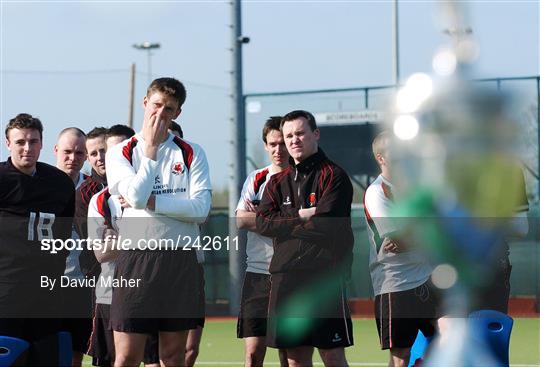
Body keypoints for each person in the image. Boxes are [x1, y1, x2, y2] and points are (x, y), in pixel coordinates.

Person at [105, 77, 212, 367]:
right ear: (145, 103)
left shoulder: (192, 153)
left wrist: (154, 202)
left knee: (173, 357)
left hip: (180, 261)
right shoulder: (120, 152)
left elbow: (200, 209)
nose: (161, 114)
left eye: (169, 109)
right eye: (156, 105)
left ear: (177, 113)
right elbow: (136, 198)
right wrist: (150, 151)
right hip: (137, 259)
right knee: (127, 356)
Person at [256, 110, 354, 367]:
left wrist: (285, 223)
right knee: (295, 358)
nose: (294, 140)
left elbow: (325, 225)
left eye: (300, 133)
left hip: (324, 278)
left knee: (332, 355)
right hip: (286, 277)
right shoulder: (276, 183)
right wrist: (301, 215)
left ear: (315, 134)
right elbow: (263, 223)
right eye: (289, 135)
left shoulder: (335, 176)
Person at [0, 113, 75, 365]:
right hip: (6, 289)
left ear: (42, 144)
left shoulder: (60, 184)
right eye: (20, 142)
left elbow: (63, 236)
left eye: (33, 141)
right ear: (7, 143)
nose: (27, 148)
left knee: (46, 357)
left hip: (46, 291)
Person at [87, 124, 160, 367]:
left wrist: (122, 238)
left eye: (123, 148)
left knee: (158, 361)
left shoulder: (157, 192)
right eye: (111, 150)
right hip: (111, 295)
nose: (116, 156)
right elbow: (101, 254)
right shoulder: (101, 200)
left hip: (152, 293)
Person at [363, 131, 438, 367]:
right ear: (381, 158)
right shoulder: (377, 193)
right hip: (395, 285)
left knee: (448, 341)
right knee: (400, 356)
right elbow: (401, 240)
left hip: (429, 278)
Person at [236, 116, 292, 367]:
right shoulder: (256, 179)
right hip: (257, 274)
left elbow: (305, 225)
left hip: (292, 275)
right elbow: (240, 220)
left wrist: (259, 216)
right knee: (252, 354)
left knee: (289, 355)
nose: (278, 149)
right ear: (266, 146)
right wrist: (285, 220)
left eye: (282, 143)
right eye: (273, 144)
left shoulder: (302, 178)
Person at [167, 121, 205, 367]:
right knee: (157, 351)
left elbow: (202, 210)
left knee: (190, 349)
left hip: (191, 264)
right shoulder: (148, 175)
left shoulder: (194, 169)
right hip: (152, 268)